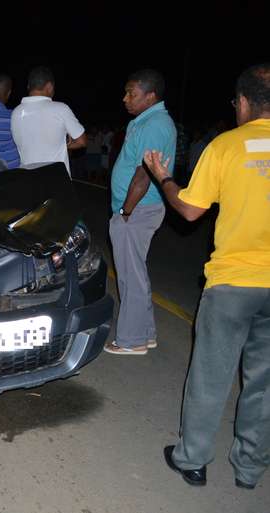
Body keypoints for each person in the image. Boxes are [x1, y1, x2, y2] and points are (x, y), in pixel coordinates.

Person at [143, 63, 270, 489]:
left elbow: (190, 209)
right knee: (265, 384)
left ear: (245, 102)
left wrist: (163, 177)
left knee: (210, 377)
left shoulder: (227, 146)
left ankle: (192, 459)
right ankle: (250, 470)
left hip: (233, 283)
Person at [103, 69, 177, 355]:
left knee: (129, 277)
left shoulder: (155, 124)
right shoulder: (145, 121)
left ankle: (131, 341)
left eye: (131, 93)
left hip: (137, 210)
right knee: (135, 272)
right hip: (137, 208)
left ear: (151, 95)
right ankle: (145, 333)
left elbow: (144, 175)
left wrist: (125, 210)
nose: (125, 98)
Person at [10, 65, 86, 176]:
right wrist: (63, 144)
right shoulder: (60, 108)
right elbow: (82, 141)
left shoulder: (15, 113)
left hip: (27, 179)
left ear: (28, 86)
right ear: (49, 87)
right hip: (55, 180)